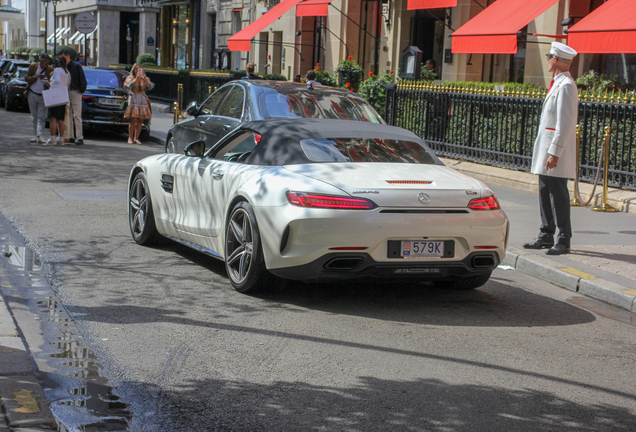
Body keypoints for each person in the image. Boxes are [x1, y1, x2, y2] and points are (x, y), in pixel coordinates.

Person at [522, 42, 578, 256]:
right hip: (547, 148)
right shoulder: (558, 83)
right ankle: (546, 234)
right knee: (545, 191)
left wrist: (555, 152)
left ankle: (563, 239)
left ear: (555, 60)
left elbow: (565, 122)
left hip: (555, 150)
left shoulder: (565, 85)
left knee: (558, 194)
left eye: (549, 58)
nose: (548, 61)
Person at [60, 49, 87, 145]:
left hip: (75, 91)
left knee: (76, 115)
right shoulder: (63, 67)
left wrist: (81, 90)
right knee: (68, 115)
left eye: (63, 57)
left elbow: (82, 79)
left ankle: (79, 137)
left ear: (68, 57)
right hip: (66, 91)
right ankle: (71, 135)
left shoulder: (76, 66)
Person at [25, 53, 54, 143]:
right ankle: (36, 135)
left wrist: (48, 83)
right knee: (34, 117)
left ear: (48, 61)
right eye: (42, 62)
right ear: (39, 61)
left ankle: (40, 135)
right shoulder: (33, 67)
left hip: (43, 95)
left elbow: (53, 81)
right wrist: (35, 77)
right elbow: (26, 78)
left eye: (45, 62)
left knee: (41, 116)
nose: (43, 64)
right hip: (32, 93)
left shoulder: (50, 69)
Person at [124, 63, 153, 145]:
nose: (138, 71)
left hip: (142, 99)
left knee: (140, 120)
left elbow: (149, 87)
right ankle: (130, 137)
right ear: (133, 70)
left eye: (139, 69)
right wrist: (136, 79)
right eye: (136, 69)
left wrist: (145, 79)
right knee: (133, 119)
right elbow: (128, 86)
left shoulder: (145, 78)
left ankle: (136, 138)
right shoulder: (130, 78)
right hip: (134, 98)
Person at [44, 56, 71, 146]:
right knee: (61, 119)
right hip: (63, 96)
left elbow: (57, 81)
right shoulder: (66, 72)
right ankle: (61, 138)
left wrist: (50, 84)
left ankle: (52, 138)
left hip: (55, 96)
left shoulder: (57, 70)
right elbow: (67, 83)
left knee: (53, 118)